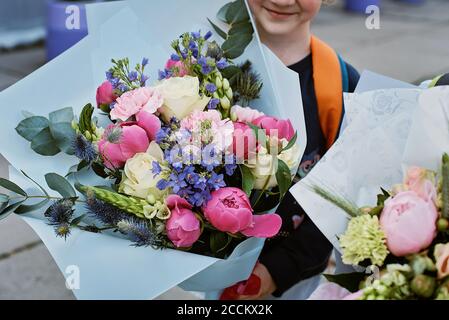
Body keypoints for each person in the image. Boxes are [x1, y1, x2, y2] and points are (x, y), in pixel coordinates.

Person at [232, 0, 360, 299]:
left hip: (299, 279)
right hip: (216, 267)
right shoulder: (207, 67)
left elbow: (344, 195)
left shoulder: (343, 85)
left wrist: (277, 270)